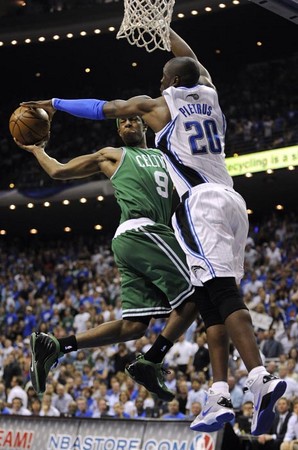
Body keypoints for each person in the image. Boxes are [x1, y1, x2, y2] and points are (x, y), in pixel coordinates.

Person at [19, 27, 286, 436]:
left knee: (210, 298)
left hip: (198, 206)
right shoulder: (209, 95)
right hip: (226, 202)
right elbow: (191, 60)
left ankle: (256, 379)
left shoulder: (157, 108)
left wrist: (53, 103)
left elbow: (103, 107)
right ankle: (215, 391)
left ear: (174, 83)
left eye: (163, 78)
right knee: (207, 295)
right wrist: (166, 30)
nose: (159, 84)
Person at [16, 111, 196, 400]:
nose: (128, 123)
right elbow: (58, 171)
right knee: (197, 294)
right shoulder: (112, 155)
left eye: (134, 119)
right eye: (122, 121)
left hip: (140, 239)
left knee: (133, 327)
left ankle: (57, 346)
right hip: (143, 231)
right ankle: (152, 359)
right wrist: (38, 150)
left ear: (144, 123)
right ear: (117, 130)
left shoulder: (167, 156)